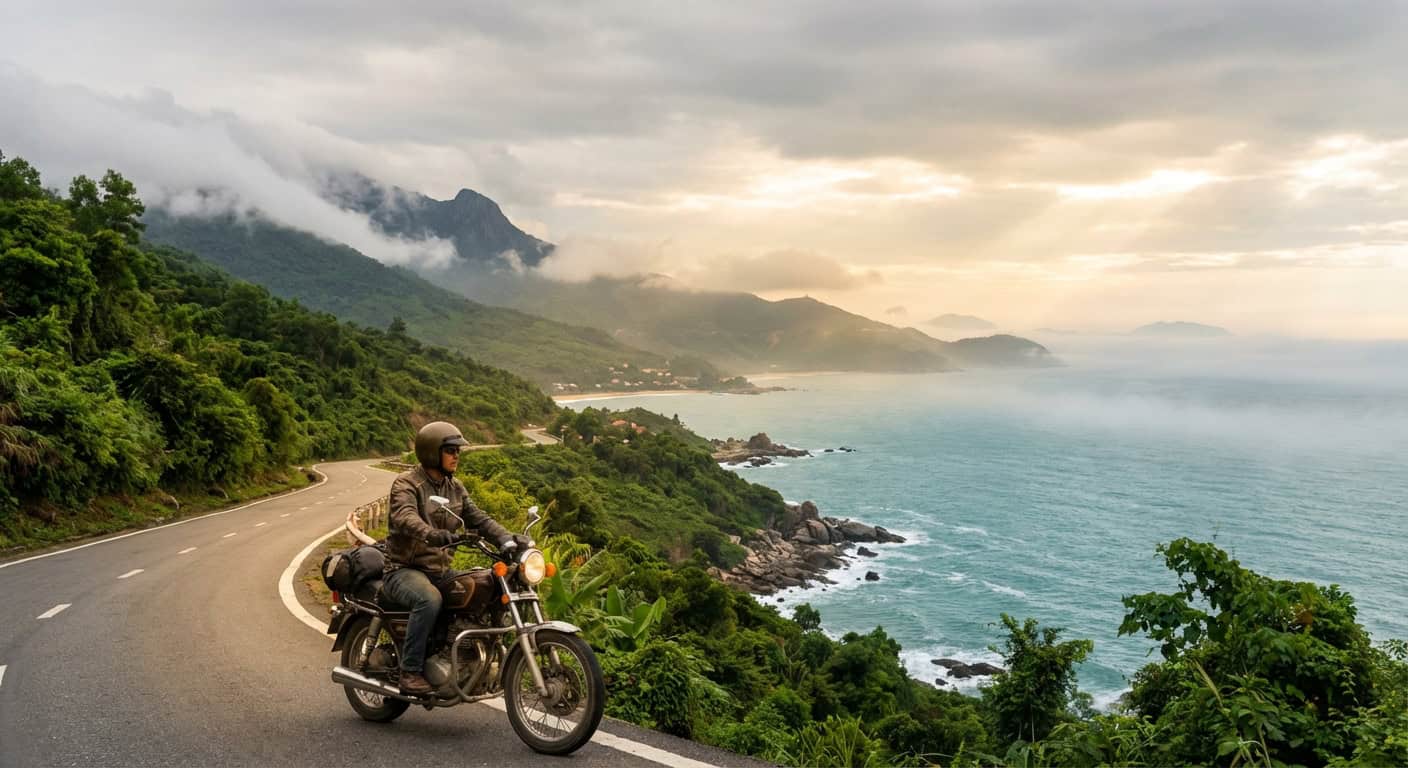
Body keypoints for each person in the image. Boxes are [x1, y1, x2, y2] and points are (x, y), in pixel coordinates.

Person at [383, 421, 516, 695]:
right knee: (428, 599)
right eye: (450, 450)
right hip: (403, 569)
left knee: (486, 587)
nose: (457, 455)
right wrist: (430, 534)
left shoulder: (455, 488)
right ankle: (410, 671)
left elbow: (478, 518)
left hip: (439, 571)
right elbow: (405, 516)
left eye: (458, 451)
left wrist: (508, 539)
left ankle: (465, 657)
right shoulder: (407, 483)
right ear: (432, 452)